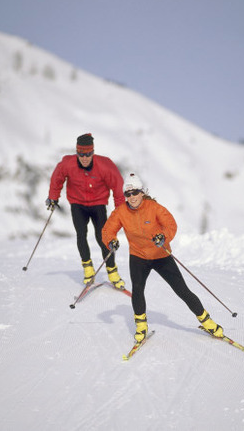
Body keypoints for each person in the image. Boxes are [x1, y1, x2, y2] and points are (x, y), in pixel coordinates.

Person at [102, 172, 223, 343]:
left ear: (142, 192)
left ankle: (207, 321)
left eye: (135, 192)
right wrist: (111, 241)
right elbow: (108, 230)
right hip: (138, 256)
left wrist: (163, 236)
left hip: (161, 254)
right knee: (137, 290)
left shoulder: (154, 208)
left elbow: (170, 225)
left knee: (182, 290)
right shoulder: (121, 212)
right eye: (128, 194)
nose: (132, 197)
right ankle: (141, 326)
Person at [46, 133, 125, 288]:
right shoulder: (68, 163)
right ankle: (88, 268)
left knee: (103, 237)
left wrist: (121, 211)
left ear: (93, 152)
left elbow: (117, 186)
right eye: (81, 154)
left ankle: (112, 271)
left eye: (88, 154)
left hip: (98, 204)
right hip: (78, 204)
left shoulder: (105, 165)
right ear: (77, 153)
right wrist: (53, 197)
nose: (84, 158)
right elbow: (57, 177)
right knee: (81, 234)